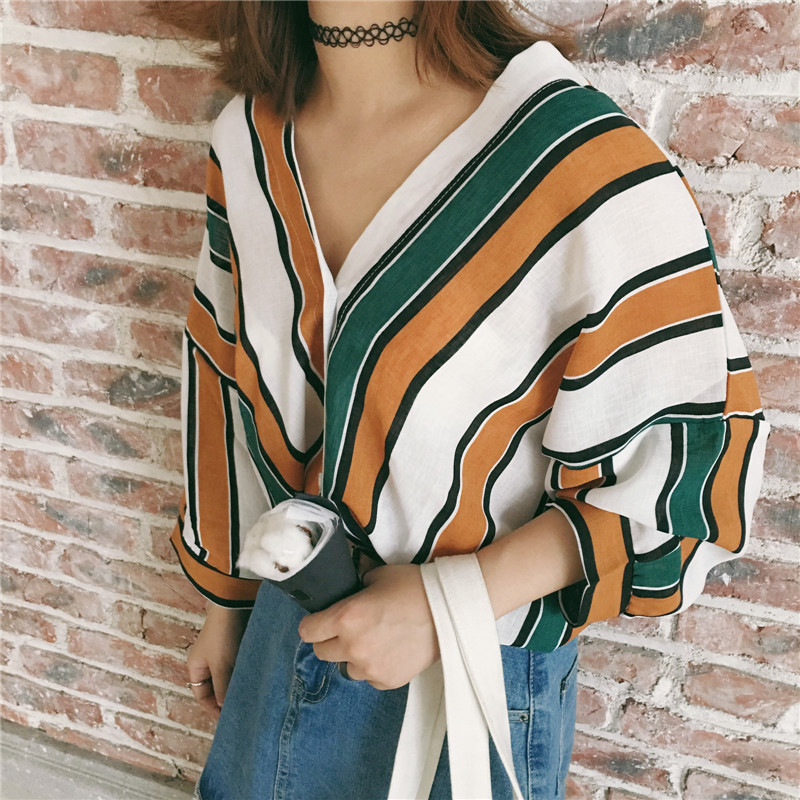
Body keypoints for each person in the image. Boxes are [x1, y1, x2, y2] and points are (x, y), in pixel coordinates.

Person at [151, 2, 768, 798]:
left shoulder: (579, 162)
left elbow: (687, 480)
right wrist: (227, 605)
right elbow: (222, 379)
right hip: (287, 623)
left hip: (478, 659)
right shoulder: (247, 140)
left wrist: (447, 603)